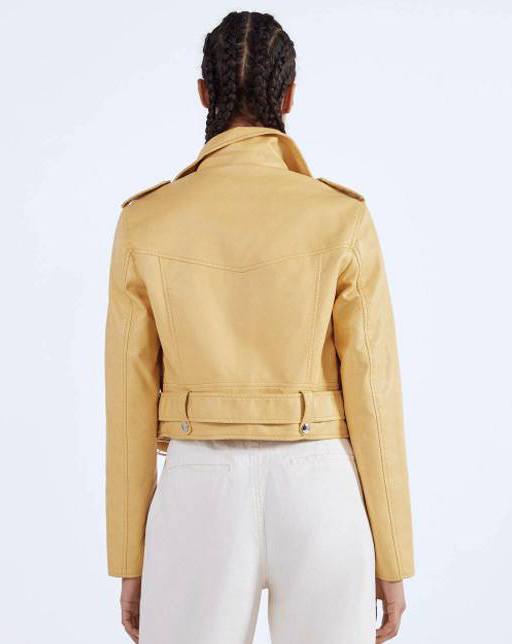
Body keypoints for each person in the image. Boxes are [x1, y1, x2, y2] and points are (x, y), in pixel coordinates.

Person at [104, 10, 415, 644]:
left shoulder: (146, 221)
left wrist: (130, 559)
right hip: (320, 486)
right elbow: (375, 395)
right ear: (289, 96)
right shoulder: (340, 218)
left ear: (204, 93)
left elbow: (128, 401)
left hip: (197, 491)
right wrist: (393, 556)